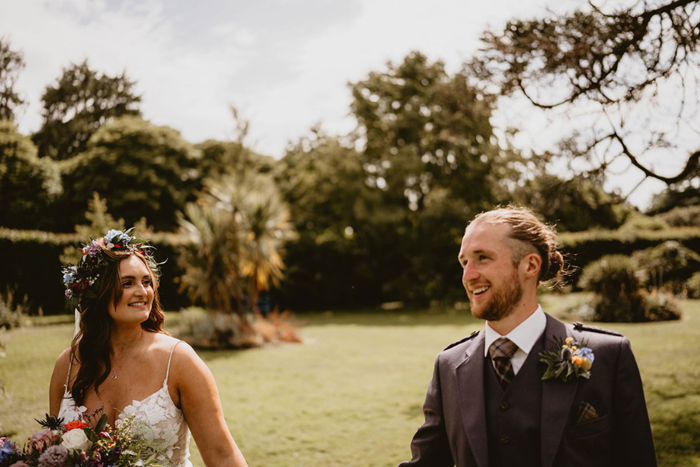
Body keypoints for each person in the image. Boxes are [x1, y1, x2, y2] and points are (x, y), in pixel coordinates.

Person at [399, 207, 657, 467]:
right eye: (464, 262)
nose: (468, 275)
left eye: (483, 258)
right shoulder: (449, 366)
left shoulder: (608, 356)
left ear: (530, 265)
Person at [49, 229, 248, 467]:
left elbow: (222, 455)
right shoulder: (68, 365)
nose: (142, 292)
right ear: (97, 292)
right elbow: (54, 452)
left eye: (146, 282)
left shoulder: (179, 360)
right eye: (127, 283)